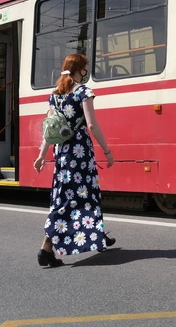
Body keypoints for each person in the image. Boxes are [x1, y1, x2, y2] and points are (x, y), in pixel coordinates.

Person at [33, 54, 115, 267]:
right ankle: (46, 247)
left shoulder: (56, 95)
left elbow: (49, 129)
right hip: (80, 155)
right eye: (85, 67)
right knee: (75, 199)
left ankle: (97, 236)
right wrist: (107, 151)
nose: (86, 70)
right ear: (80, 69)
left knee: (69, 197)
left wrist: (42, 155)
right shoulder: (83, 92)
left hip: (62, 154)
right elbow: (92, 125)